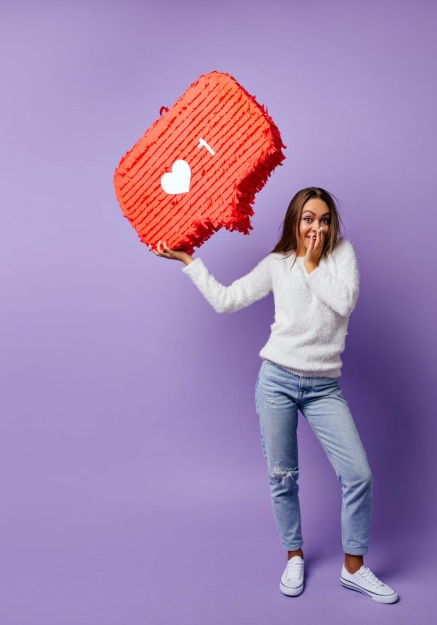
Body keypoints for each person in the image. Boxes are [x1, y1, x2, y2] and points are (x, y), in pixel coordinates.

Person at [153, 187, 398, 604]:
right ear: (295, 221)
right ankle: (294, 556)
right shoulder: (277, 264)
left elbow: (344, 303)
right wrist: (189, 262)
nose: (317, 227)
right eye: (308, 218)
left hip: (324, 387)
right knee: (283, 476)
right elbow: (226, 300)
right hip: (277, 381)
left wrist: (313, 264)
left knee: (359, 475)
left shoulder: (342, 255)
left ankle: (354, 568)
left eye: (324, 219)